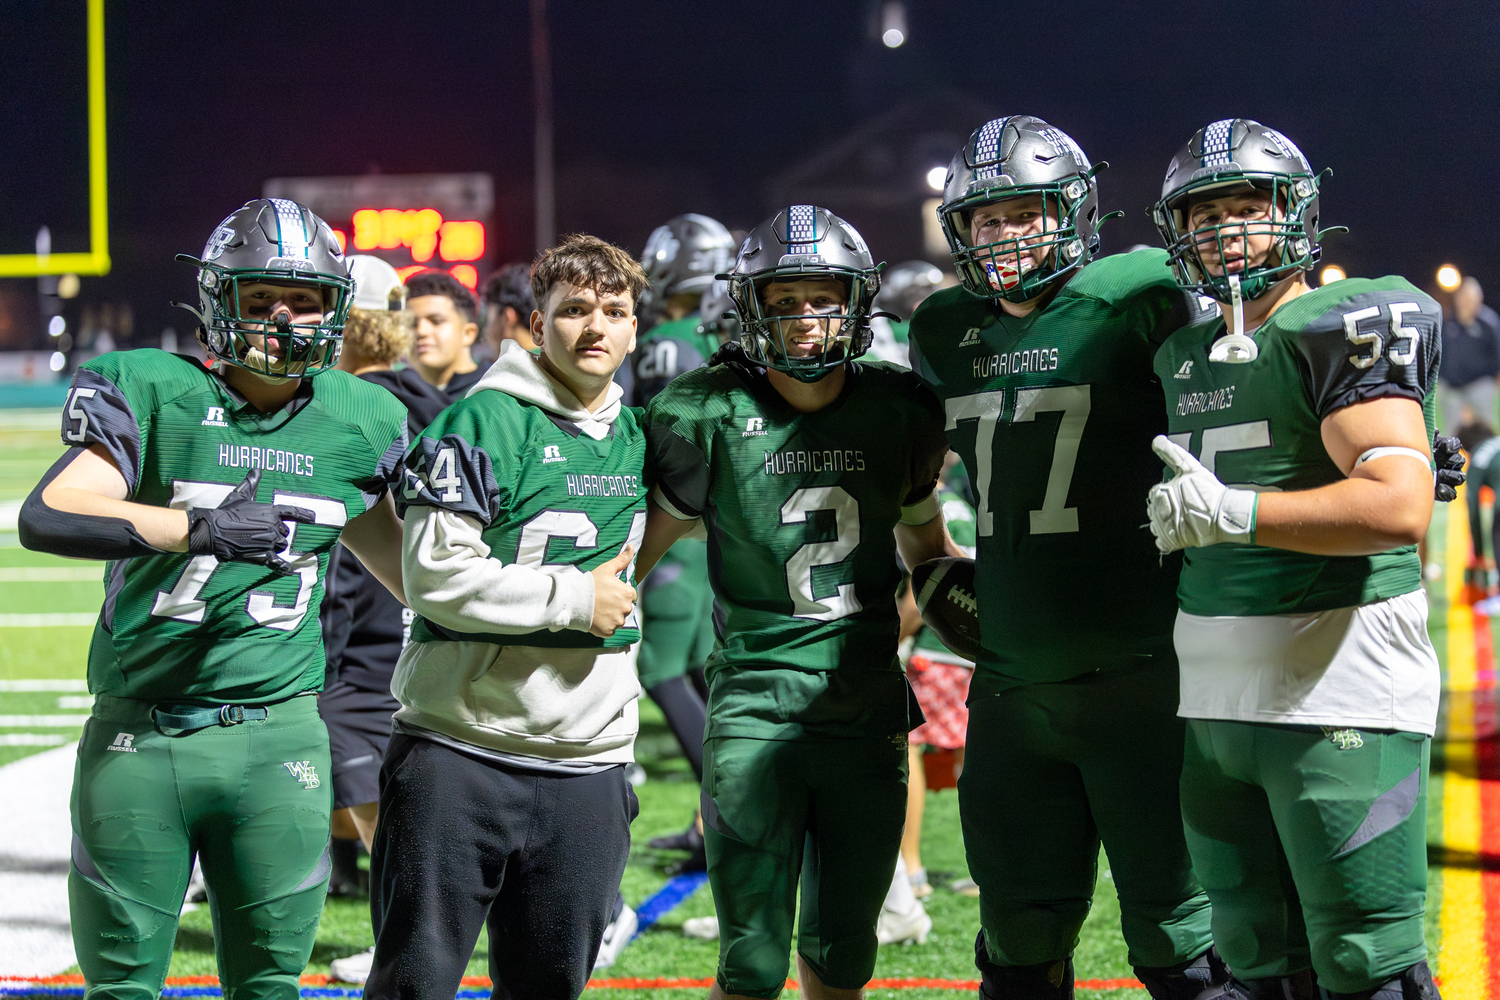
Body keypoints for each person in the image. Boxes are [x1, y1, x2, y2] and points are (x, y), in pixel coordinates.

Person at [17, 199, 409, 1000]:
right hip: (142, 731)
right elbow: (51, 511)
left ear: (336, 310)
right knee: (122, 988)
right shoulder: (154, 387)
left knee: (269, 986)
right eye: (261, 299)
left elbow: (416, 577)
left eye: (305, 301)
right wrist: (195, 528)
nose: (285, 321)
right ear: (217, 301)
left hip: (280, 740)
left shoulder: (362, 417)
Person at [905, 116, 1222, 999]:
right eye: (984, 221)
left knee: (1179, 933)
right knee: (1017, 936)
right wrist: (925, 545)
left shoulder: (1141, 293)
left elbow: (1241, 385)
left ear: (1074, 211)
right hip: (1011, 685)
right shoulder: (943, 329)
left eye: (1025, 213)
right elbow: (901, 454)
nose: (1005, 236)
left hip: (1147, 670)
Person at [1147, 119, 1443, 1000]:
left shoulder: (1339, 320)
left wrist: (1235, 513)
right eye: (1207, 215)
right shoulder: (1179, 351)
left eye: (1250, 207)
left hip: (1337, 674)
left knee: (1363, 956)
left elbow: (1397, 505)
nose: (1228, 231)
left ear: (1299, 215)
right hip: (1214, 687)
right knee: (1250, 953)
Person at [637, 205, 952, 999]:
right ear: (749, 308)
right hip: (754, 706)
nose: (805, 320)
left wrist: (968, 596)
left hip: (865, 704)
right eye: (783, 302)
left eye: (822, 299)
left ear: (856, 302)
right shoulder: (703, 409)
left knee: (845, 953)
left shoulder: (900, 408)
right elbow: (635, 556)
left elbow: (927, 548)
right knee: (749, 962)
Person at [364, 234, 648, 1000]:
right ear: (534, 326)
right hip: (460, 750)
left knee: (550, 986)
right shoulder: (482, 421)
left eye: (614, 311)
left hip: (587, 761)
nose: (596, 327)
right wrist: (575, 600)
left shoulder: (639, 430)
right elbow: (434, 576)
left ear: (633, 328)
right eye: (575, 310)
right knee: (413, 985)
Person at [630, 213, 738, 870]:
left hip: (676, 525)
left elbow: (658, 440)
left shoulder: (668, 342)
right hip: (720, 528)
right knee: (702, 669)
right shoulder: (731, 333)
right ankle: (712, 825)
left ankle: (729, 810)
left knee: (659, 668)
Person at [894, 452, 976, 900]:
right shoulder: (965, 504)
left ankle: (912, 869)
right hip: (974, 648)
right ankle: (990, 870)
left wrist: (889, 637)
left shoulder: (927, 509)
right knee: (975, 756)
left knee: (908, 749)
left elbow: (921, 592)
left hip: (936, 650)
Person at [407, 269, 484, 399]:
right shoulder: (393, 397)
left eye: (436, 321)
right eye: (411, 323)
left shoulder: (491, 393)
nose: (421, 331)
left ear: (468, 333)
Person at [1439, 276, 1500, 432]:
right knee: (1451, 432)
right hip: (1451, 385)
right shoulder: (1448, 322)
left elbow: (1496, 353)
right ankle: (1452, 456)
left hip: (1479, 383)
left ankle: (1487, 454)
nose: (1466, 301)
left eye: (1470, 297)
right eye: (1463, 296)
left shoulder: (1488, 323)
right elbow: (1441, 353)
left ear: (1479, 298)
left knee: (1485, 427)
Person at [481, 262, 539, 356]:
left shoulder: (513, 366)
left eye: (490, 318)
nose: (488, 331)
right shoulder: (556, 360)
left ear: (508, 317)